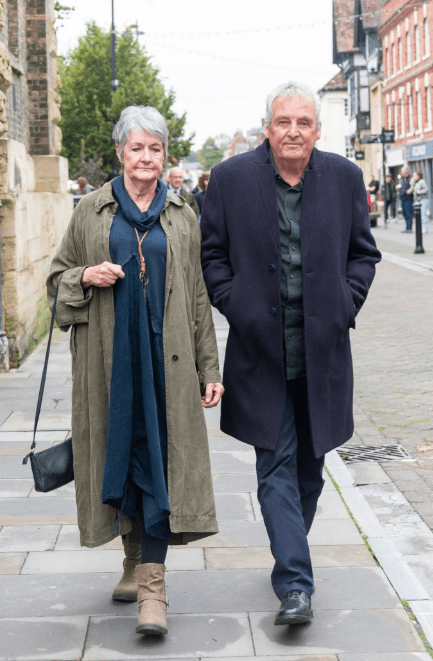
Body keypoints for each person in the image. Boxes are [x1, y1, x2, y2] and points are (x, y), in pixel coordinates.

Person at [201, 81, 381, 627]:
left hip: (322, 351)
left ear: (317, 130)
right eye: (284, 122)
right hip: (260, 351)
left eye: (304, 123)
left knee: (310, 468)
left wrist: (345, 305)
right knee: (274, 462)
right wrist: (237, 307)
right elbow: (212, 254)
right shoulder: (231, 180)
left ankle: (287, 554)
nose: (294, 132)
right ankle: (296, 585)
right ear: (267, 127)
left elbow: (363, 254)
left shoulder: (345, 178)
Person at [47, 105, 224, 638]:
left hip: (166, 364)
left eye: (154, 149)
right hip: (110, 362)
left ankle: (153, 590)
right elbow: (56, 283)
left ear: (164, 155)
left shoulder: (181, 214)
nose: (145, 158)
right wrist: (87, 275)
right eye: (136, 148)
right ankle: (131, 560)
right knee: (118, 459)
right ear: (120, 151)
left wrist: (208, 366)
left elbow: (196, 296)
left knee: (159, 461)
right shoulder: (91, 211)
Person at [398, 167, 414, 232]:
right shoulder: (403, 179)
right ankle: (407, 227)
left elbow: (411, 188)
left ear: (406, 172)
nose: (401, 173)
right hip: (403, 199)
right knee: (404, 214)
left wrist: (407, 192)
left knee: (408, 214)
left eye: (402, 171)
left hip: (408, 199)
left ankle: (409, 228)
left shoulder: (410, 178)